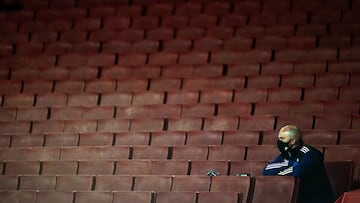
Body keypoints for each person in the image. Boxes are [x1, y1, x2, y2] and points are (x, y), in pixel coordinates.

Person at [263, 125, 334, 203]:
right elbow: (267, 170)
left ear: (293, 141)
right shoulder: (286, 154)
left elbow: (298, 172)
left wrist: (279, 172)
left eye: (282, 138)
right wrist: (290, 163)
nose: (279, 141)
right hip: (298, 199)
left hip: (317, 199)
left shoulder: (310, 154)